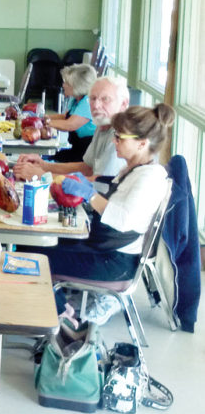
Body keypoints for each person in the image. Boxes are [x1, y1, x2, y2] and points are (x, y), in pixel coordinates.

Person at [24, 104, 175, 321]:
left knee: (34, 257)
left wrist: (89, 194)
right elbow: (109, 190)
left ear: (142, 143)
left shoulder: (149, 178)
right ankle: (60, 308)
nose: (114, 141)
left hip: (114, 262)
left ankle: (64, 317)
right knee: (35, 242)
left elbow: (123, 219)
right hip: (104, 249)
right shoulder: (137, 169)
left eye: (120, 137)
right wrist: (85, 185)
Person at [14, 76, 129, 186]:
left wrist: (42, 176)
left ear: (123, 104)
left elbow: (98, 184)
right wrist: (43, 165)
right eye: (93, 98)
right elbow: (87, 168)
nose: (96, 105)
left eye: (105, 99)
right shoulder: (103, 126)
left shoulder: (119, 136)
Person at [46, 63, 97, 162]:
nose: (63, 85)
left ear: (78, 86)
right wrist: (43, 118)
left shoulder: (87, 102)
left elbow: (69, 125)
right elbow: (65, 117)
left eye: (67, 83)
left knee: (50, 163)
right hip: (77, 149)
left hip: (87, 155)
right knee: (49, 159)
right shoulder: (75, 99)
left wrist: (44, 123)